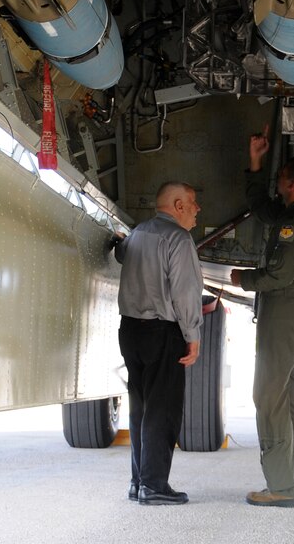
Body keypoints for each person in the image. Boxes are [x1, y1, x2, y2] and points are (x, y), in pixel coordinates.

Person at [230, 126, 294, 508]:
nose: (278, 182)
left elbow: (279, 275)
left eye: (281, 178)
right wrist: (255, 162)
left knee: (268, 398)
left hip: (282, 313)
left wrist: (243, 279)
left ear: (293, 185)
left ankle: (282, 487)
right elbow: (262, 210)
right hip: (291, 316)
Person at [114, 181, 204, 506]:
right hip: (162, 331)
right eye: (193, 202)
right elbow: (185, 292)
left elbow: (121, 252)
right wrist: (192, 336)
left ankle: (138, 482)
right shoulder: (178, 239)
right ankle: (154, 485)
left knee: (140, 407)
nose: (197, 209)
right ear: (177, 205)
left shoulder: (138, 233)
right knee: (162, 409)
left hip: (130, 331)